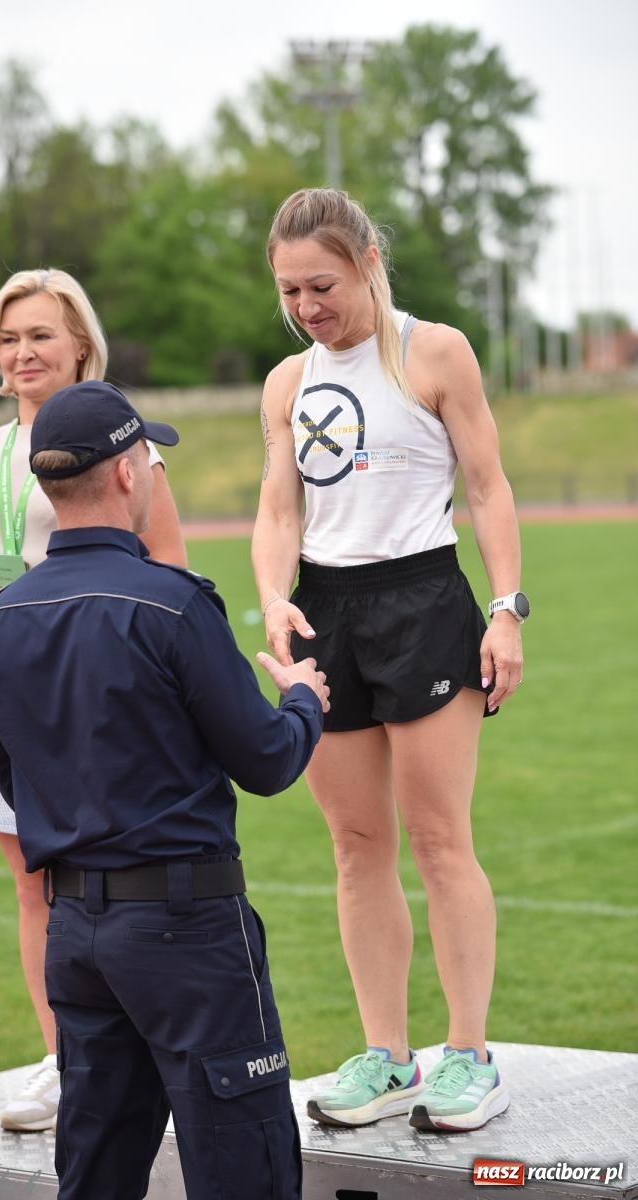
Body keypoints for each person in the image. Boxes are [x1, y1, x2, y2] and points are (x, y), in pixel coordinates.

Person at [0, 380, 330, 1200]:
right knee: (245, 1167)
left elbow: (12, 780)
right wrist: (303, 699)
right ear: (128, 473)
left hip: (75, 934)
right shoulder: (171, 605)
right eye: (151, 459)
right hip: (186, 931)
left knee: (94, 1168)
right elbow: (268, 760)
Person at [252, 187, 528, 1134]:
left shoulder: (434, 351)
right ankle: (387, 1055)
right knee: (355, 846)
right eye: (289, 291)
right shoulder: (286, 383)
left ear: (367, 258)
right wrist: (275, 597)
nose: (305, 308)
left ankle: (468, 1056)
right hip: (327, 613)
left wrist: (505, 610)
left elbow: (487, 489)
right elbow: (278, 509)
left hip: (423, 603)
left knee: (440, 840)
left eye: (319, 285)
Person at [0, 269, 187, 1131]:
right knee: (30, 883)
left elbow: (170, 571)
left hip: (99, 695)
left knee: (114, 879)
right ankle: (64, 1060)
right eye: (8, 338)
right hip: (5, 693)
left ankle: (145, 1049)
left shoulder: (124, 442)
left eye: (39, 334)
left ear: (79, 342)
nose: (22, 352)